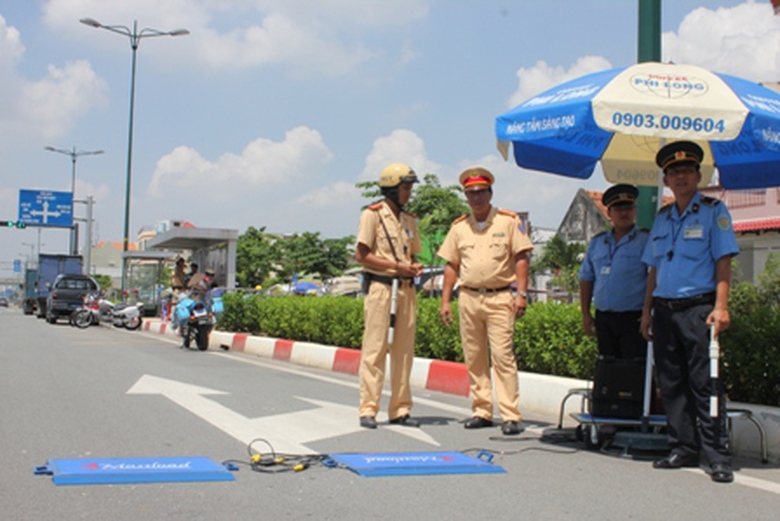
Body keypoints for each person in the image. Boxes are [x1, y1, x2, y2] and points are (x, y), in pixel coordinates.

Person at [640, 141, 740, 484]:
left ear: (698, 175)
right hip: (665, 310)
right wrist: (646, 312)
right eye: (673, 172)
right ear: (666, 180)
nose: (680, 177)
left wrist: (721, 306)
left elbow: (722, 260)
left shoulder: (715, 211)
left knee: (705, 383)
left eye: (686, 170)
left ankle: (716, 455)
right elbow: (653, 268)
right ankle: (682, 447)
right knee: (671, 384)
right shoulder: (663, 217)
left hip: (699, 308)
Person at [437, 167, 533, 436]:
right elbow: (451, 265)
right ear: (466, 196)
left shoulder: (507, 221)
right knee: (475, 357)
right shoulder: (459, 227)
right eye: (471, 193)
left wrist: (521, 293)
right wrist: (445, 301)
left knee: (503, 356)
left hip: (500, 296)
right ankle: (481, 410)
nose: (476, 198)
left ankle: (510, 415)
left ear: (490, 193)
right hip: (467, 297)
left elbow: (522, 257)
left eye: (481, 192)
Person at [355, 163, 423, 429]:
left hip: (406, 290)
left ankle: (400, 409)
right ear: (392, 190)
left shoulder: (409, 220)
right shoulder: (372, 215)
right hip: (382, 288)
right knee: (375, 349)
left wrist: (413, 266)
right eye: (405, 188)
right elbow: (362, 254)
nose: (408, 193)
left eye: (409, 188)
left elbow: (414, 253)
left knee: (404, 352)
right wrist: (395, 267)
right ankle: (368, 408)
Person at [579, 184, 649, 359]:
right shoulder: (598, 242)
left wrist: (649, 312)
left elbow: (654, 279)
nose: (624, 213)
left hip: (634, 319)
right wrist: (585, 313)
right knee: (608, 372)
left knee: (634, 372)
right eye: (618, 209)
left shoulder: (645, 241)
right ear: (609, 213)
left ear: (635, 211)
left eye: (628, 208)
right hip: (604, 319)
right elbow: (586, 278)